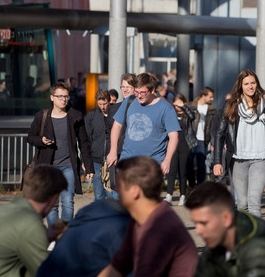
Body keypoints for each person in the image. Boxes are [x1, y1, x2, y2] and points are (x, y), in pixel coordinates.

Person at [54, 156, 198, 277]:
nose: (115, 190)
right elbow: (117, 269)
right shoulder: (140, 219)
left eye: (119, 185)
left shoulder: (159, 228)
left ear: (135, 191)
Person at [213, 69, 265, 217]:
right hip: (238, 159)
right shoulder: (231, 104)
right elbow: (220, 134)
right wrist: (217, 161)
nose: (250, 87)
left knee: (254, 202)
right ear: (240, 86)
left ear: (257, 84)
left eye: (253, 83)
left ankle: (255, 238)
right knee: (242, 204)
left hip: (261, 158)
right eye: (246, 84)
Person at [27, 82, 94, 225]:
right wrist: (41, 140)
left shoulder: (75, 116)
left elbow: (84, 143)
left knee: (68, 201)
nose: (63, 99)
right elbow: (30, 137)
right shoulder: (42, 116)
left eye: (66, 97)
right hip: (48, 167)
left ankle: (64, 234)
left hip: (68, 166)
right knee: (52, 203)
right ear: (52, 97)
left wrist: (89, 166)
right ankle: (53, 235)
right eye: (60, 96)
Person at [107, 73, 180, 176]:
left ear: (152, 90)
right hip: (127, 162)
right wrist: (113, 151)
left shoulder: (166, 108)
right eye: (136, 92)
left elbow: (173, 136)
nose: (139, 95)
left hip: (152, 165)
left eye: (143, 92)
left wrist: (167, 160)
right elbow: (117, 126)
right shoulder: (130, 101)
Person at [167, 94, 197, 205]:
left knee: (183, 172)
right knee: (172, 170)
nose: (178, 106)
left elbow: (193, 116)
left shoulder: (187, 115)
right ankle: (169, 194)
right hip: (173, 145)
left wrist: (183, 106)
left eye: (180, 103)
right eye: (176, 103)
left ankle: (183, 195)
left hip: (185, 145)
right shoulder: (171, 114)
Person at [85, 89, 114, 201]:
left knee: (112, 193)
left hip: (111, 159)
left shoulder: (115, 113)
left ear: (109, 101)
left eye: (105, 104)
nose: (102, 107)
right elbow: (87, 139)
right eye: (100, 104)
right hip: (96, 159)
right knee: (98, 194)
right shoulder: (92, 115)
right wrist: (86, 160)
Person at [188, 87, 216, 188]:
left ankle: (200, 186)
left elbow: (213, 127)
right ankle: (191, 185)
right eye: (210, 97)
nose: (212, 99)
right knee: (189, 163)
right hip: (191, 137)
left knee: (201, 164)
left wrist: (212, 142)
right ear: (203, 96)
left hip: (203, 139)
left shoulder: (211, 109)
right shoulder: (192, 107)